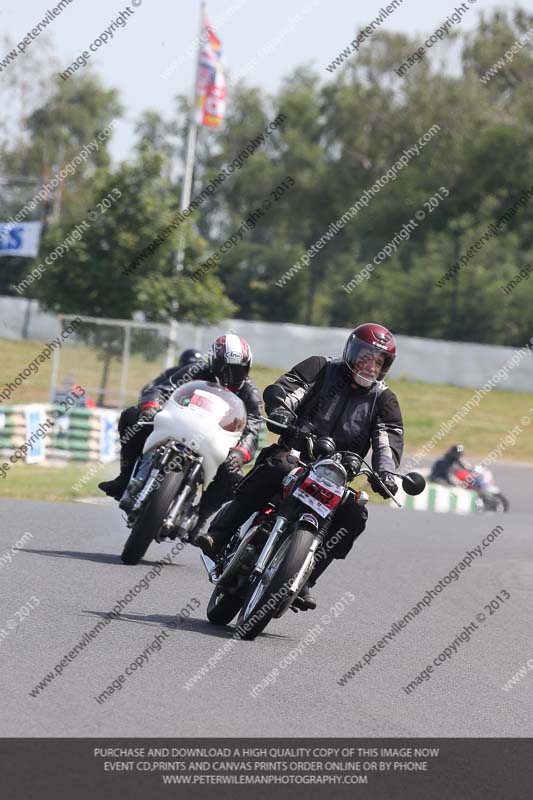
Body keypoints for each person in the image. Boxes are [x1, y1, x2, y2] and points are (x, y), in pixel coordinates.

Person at [195, 322, 404, 611]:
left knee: (354, 513)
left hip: (337, 474)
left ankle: (306, 578)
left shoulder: (384, 399)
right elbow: (288, 388)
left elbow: (388, 439)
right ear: (351, 352)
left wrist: (387, 474)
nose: (370, 366)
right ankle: (220, 534)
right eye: (366, 357)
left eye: (378, 361)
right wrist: (281, 408)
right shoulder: (321, 368)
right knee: (277, 466)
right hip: (296, 451)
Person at [99, 334, 262, 539]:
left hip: (216, 440)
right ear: (213, 361)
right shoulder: (196, 371)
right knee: (133, 417)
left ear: (247, 367)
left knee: (234, 475)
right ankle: (125, 476)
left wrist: (239, 453)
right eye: (224, 366)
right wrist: (151, 406)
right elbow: (161, 388)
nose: (229, 374)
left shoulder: (250, 392)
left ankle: (201, 518)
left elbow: (254, 427)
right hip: (181, 423)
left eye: (238, 368)